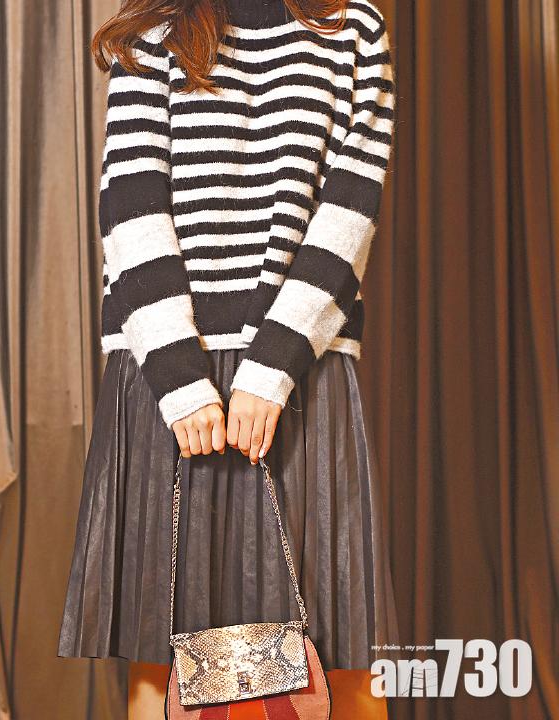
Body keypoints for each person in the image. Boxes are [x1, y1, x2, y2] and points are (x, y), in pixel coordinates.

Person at [58, 0, 397, 716]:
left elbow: (352, 205)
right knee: (167, 670)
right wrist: (181, 379)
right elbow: (129, 204)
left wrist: (272, 368)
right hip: (166, 371)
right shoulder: (155, 29)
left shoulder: (352, 27)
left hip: (303, 369)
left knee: (340, 665)